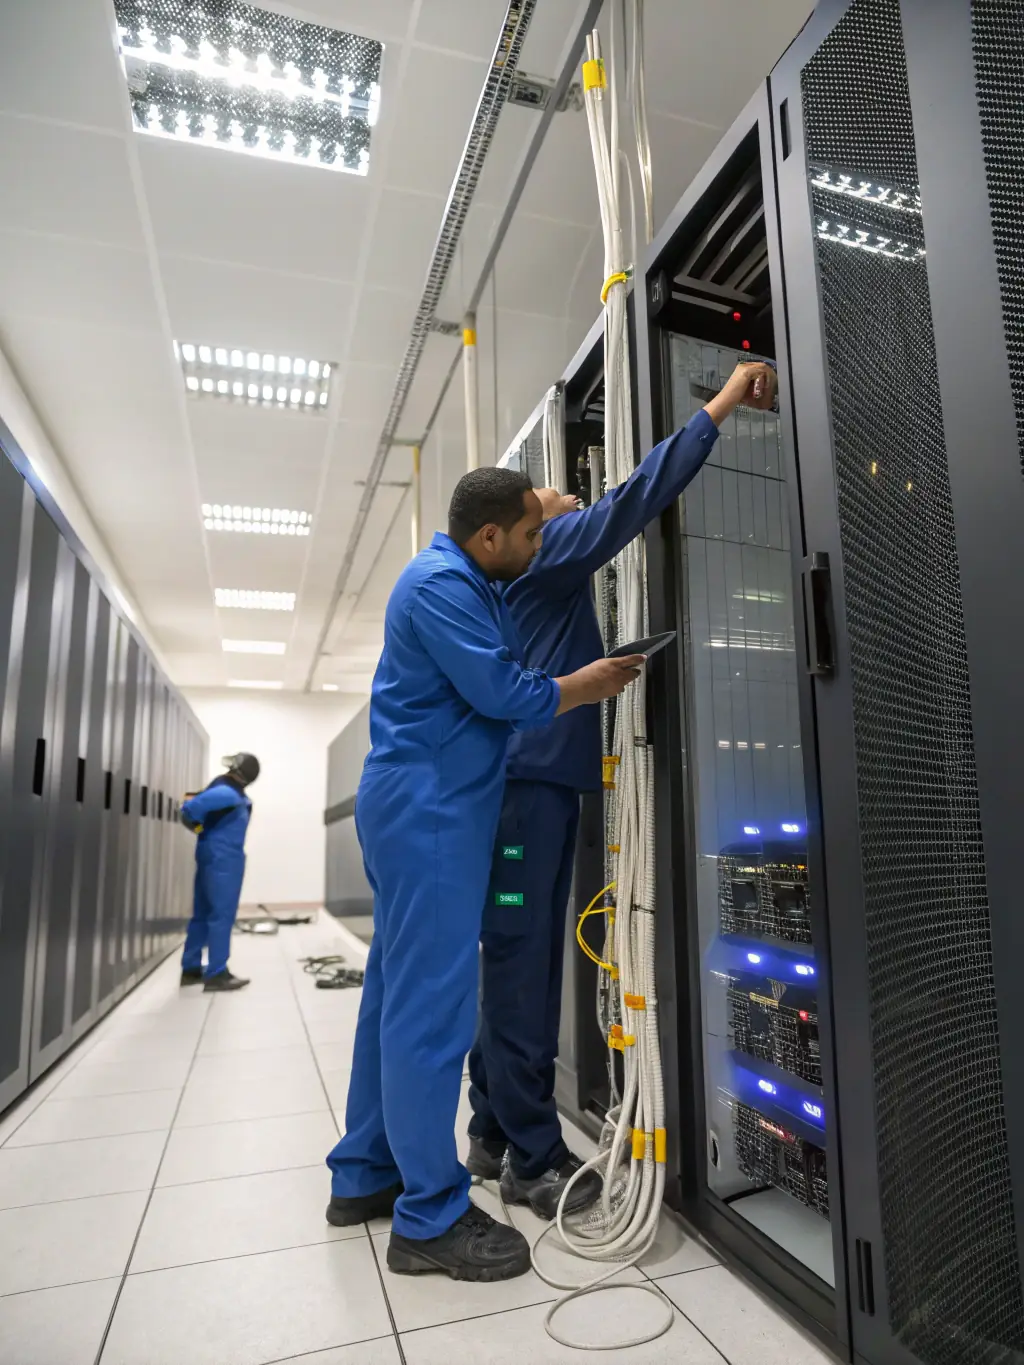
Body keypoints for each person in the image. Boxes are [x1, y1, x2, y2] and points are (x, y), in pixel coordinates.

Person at [466, 361, 779, 1219]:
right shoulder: (550, 552)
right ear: (519, 528)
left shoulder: (503, 567)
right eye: (544, 505)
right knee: (524, 967)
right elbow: (641, 493)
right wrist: (720, 403)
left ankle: (490, 1127)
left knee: (509, 958)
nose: (562, 503)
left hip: (523, 779)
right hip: (534, 783)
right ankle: (531, 1157)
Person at [324, 468, 644, 1282]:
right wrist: (587, 684)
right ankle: (428, 1215)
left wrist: (558, 506)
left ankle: (365, 1172)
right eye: (531, 536)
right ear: (491, 538)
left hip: (427, 804)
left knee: (395, 998)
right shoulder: (442, 587)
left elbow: (522, 563)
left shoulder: (460, 571)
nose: (542, 548)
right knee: (431, 1013)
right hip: (432, 812)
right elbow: (505, 691)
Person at [179, 751, 260, 993]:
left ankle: (191, 968)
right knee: (221, 915)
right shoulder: (227, 793)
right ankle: (216, 973)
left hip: (212, 855)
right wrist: (201, 829)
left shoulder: (228, 792)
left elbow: (190, 812)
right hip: (223, 859)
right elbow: (189, 810)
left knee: (203, 913)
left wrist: (202, 832)